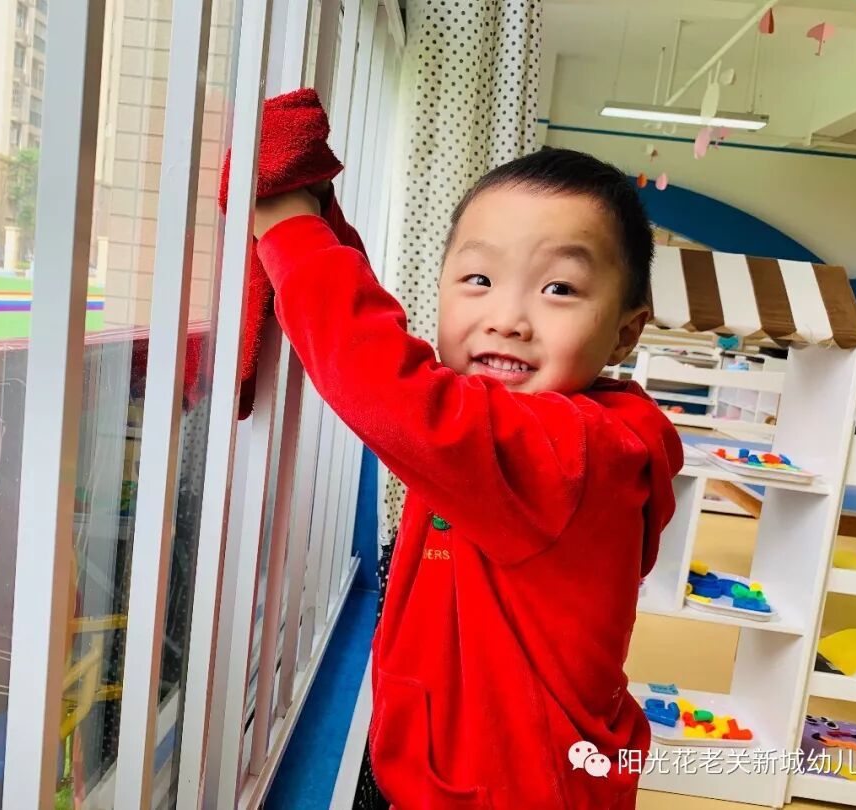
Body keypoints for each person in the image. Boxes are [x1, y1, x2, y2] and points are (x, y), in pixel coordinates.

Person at [252, 147, 683, 809]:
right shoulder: (533, 431)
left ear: (626, 333)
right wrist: (320, 221)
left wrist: (290, 231)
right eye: (479, 279)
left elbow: (384, 384)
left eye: (559, 289)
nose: (507, 319)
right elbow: (382, 341)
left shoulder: (572, 454)